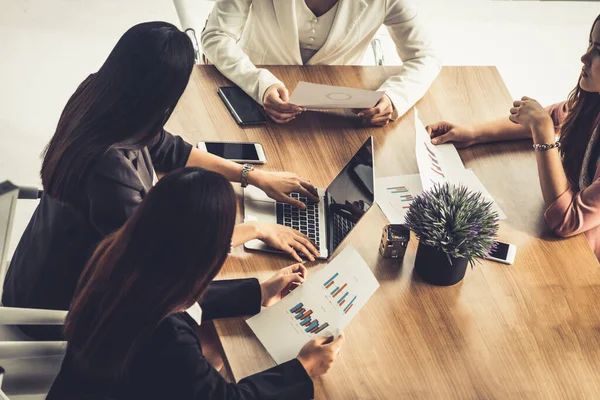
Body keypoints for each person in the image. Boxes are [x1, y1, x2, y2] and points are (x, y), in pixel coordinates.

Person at [2, 22, 320, 340]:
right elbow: (161, 263)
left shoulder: (102, 98)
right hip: (55, 310)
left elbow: (172, 150)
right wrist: (256, 232)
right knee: (218, 343)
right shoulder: (109, 169)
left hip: (36, 271)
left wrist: (253, 176)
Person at [45, 167, 344, 400]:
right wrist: (304, 367)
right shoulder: (168, 337)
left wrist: (258, 292)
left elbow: (166, 293)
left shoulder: (117, 255)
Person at [426, 14, 600, 260]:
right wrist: (472, 134)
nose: (584, 57)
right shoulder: (592, 101)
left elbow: (567, 220)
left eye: (599, 51)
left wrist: (543, 134)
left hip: (584, 263)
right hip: (560, 243)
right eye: (590, 43)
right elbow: (549, 117)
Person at [201, 0, 441, 126]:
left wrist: (393, 98)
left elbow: (425, 56)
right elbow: (216, 36)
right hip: (251, 103)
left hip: (336, 116)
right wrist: (258, 84)